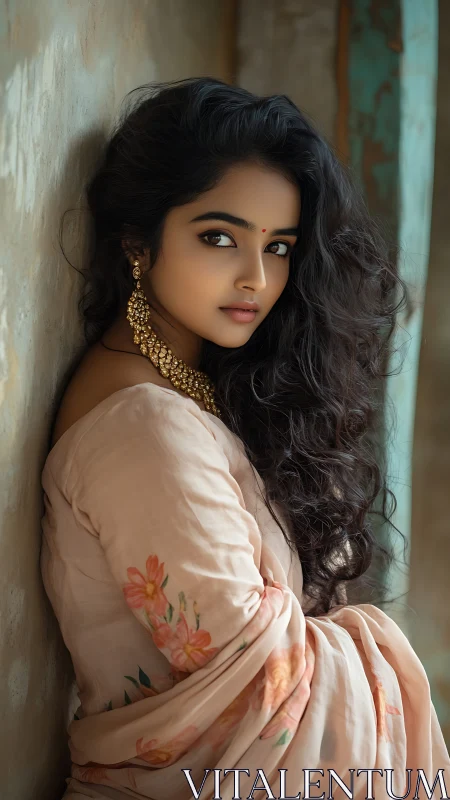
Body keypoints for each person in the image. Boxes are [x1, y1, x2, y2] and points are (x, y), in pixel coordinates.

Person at [40, 77, 450, 800]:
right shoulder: (145, 427)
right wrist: (367, 649)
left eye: (281, 246)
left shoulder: (189, 388)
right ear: (139, 239)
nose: (257, 278)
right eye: (219, 237)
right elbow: (258, 678)